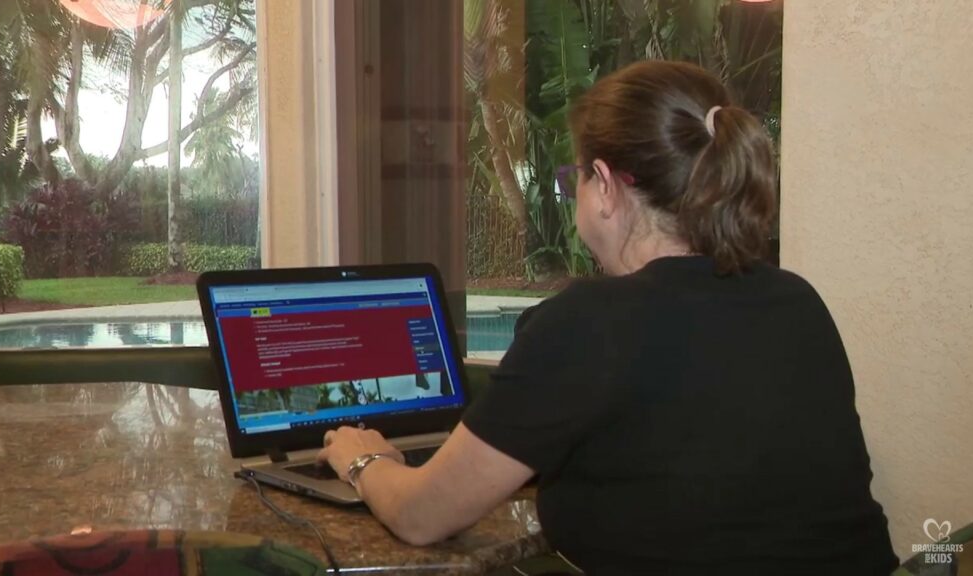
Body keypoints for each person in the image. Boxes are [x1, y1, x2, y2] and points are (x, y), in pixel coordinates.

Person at [317, 61, 898, 575]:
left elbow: (422, 516)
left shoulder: (586, 322)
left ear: (605, 187)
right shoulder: (796, 301)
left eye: (576, 179)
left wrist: (364, 459)